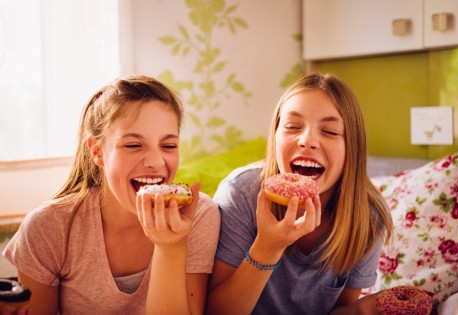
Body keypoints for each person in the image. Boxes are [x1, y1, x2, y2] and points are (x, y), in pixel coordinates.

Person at [2, 76, 220, 314]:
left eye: (168, 146)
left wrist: (171, 248)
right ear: (97, 151)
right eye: (133, 145)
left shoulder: (197, 215)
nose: (156, 161)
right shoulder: (49, 227)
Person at [206, 72, 393, 315]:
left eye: (330, 131)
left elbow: (340, 309)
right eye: (293, 127)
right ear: (275, 137)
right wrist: (267, 247)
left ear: (352, 148)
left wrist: (364, 310)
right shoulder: (242, 193)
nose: (307, 140)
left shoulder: (368, 217)